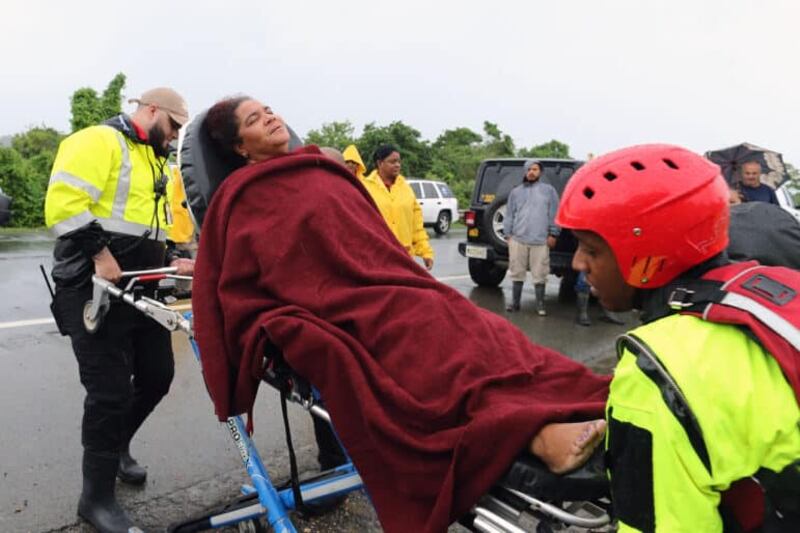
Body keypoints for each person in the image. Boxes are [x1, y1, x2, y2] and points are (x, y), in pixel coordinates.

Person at [192, 96, 610, 533]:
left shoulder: (323, 167)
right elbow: (242, 271)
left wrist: (404, 275)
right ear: (241, 148)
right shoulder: (240, 198)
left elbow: (370, 237)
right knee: (419, 342)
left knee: (472, 322)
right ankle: (535, 434)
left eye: (270, 110)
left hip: (392, 280)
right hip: (335, 303)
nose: (271, 119)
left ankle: (557, 400)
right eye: (255, 120)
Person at [556, 144, 800, 532]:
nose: (577, 264)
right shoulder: (777, 284)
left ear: (645, 255)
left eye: (591, 249)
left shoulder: (657, 373)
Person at [45, 87, 194, 533]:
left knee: (157, 376)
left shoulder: (154, 159)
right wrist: (99, 253)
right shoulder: (98, 140)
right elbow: (65, 204)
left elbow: (148, 223)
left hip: (140, 286)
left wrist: (171, 257)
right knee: (109, 392)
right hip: (92, 285)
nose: (173, 138)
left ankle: (119, 444)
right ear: (151, 110)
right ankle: (95, 499)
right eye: (172, 127)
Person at [362, 144, 434, 270]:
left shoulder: (406, 189)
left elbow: (416, 226)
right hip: (376, 257)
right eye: (392, 162)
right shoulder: (365, 188)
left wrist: (426, 252)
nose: (397, 165)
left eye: (399, 161)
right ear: (380, 163)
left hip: (404, 257)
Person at [503, 160, 560, 315]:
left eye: (535, 169)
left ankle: (540, 305)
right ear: (525, 172)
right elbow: (509, 215)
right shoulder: (516, 192)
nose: (531, 172)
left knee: (540, 273)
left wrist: (553, 233)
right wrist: (508, 235)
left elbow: (554, 214)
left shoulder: (549, 191)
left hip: (540, 240)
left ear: (540, 172)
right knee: (516, 271)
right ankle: (515, 304)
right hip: (518, 239)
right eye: (529, 169)